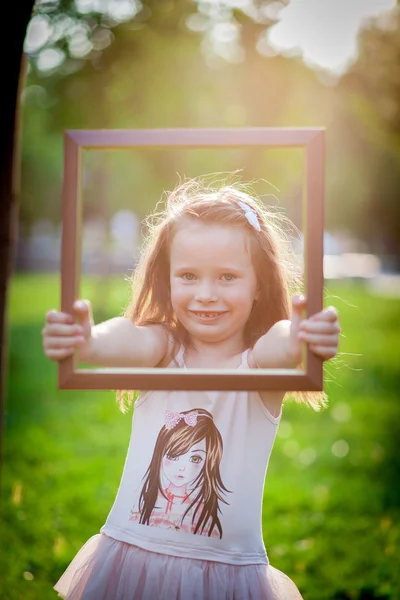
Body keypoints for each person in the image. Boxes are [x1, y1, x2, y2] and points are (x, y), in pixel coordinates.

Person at [42, 178, 341, 600]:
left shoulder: (256, 366)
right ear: (166, 281)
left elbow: (280, 342)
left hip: (226, 577)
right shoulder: (164, 348)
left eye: (227, 277)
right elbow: (130, 336)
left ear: (259, 285)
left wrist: (301, 337)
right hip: (132, 561)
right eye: (188, 275)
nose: (206, 294)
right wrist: (90, 342)